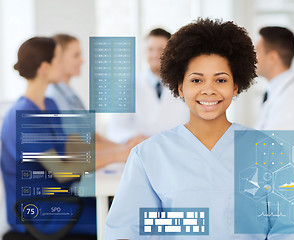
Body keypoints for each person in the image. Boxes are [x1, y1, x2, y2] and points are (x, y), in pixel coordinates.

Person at [105, 19, 294, 240]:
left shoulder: (269, 152)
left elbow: (291, 231)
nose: (209, 90)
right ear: (180, 88)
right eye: (196, 80)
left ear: (235, 87)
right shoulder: (148, 156)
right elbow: (126, 230)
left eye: (220, 80)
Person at [0, 37, 124, 238]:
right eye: (58, 59)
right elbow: (62, 171)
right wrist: (117, 155)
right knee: (124, 222)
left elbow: (72, 147)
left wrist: (123, 149)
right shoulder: (23, 116)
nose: (62, 65)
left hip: (65, 200)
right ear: (44, 67)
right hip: (42, 212)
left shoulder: (48, 104)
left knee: (124, 206)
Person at [46, 33, 143, 161]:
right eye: (76, 55)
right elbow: (74, 146)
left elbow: (91, 136)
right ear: (58, 58)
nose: (82, 60)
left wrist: (126, 147)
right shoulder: (54, 97)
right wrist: (122, 150)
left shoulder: (71, 95)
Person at [107, 28, 189, 143]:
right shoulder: (128, 87)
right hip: (142, 152)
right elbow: (116, 129)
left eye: (161, 49)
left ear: (171, 52)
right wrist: (134, 137)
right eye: (150, 49)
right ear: (145, 52)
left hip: (177, 150)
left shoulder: (186, 84)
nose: (155, 54)